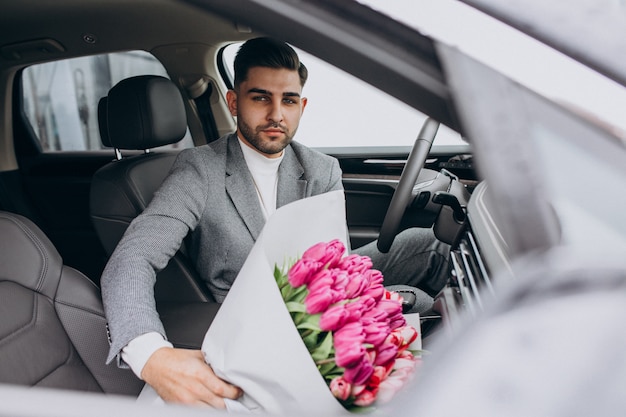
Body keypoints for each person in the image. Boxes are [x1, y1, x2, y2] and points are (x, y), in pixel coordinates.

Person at [101, 37, 449, 408]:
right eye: (260, 97)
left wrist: (365, 303)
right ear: (234, 102)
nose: (276, 115)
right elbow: (133, 257)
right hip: (251, 319)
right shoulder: (199, 170)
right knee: (424, 303)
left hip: (316, 298)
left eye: (289, 100)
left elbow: (336, 269)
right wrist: (150, 355)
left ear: (302, 105)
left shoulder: (321, 168)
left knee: (429, 243)